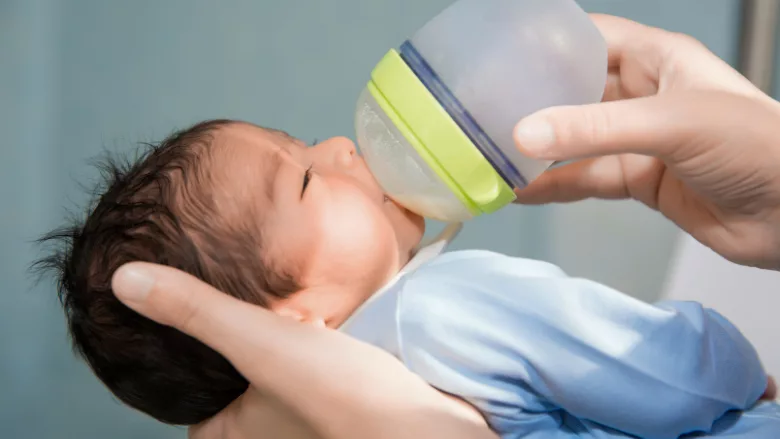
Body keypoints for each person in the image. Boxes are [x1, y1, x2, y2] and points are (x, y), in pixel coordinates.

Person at [105, 13, 780, 439]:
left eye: (302, 141)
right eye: (306, 179)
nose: (339, 145)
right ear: (290, 317)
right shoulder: (441, 305)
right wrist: (739, 372)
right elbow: (654, 369)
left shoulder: (355, 398)